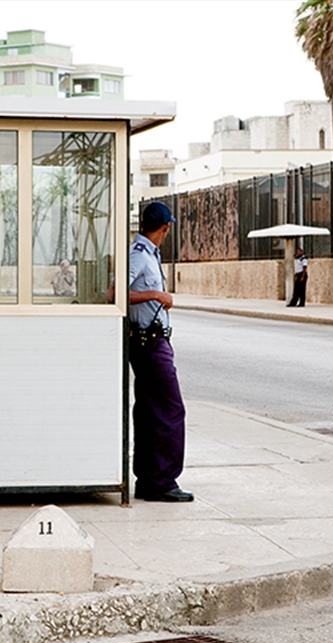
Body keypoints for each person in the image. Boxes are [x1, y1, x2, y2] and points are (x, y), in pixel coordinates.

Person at [128, 202, 193, 503]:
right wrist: (156, 294)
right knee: (170, 410)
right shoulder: (139, 256)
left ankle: (149, 480)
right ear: (165, 228)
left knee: (150, 410)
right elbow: (116, 293)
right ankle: (163, 481)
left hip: (152, 341)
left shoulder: (148, 254)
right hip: (149, 343)